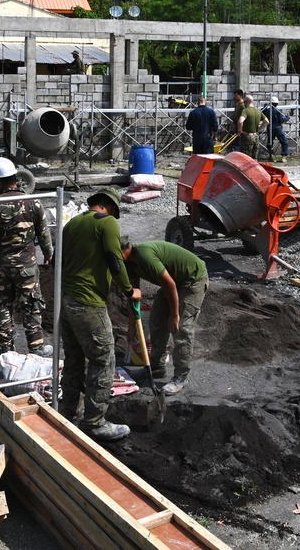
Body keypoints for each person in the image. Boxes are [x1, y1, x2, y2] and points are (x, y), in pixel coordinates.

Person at [60, 187, 140, 442]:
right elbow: (115, 260)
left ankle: (68, 413)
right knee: (103, 360)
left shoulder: (72, 224)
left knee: (74, 360)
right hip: (88, 303)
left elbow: (58, 261)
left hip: (67, 301)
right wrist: (129, 290)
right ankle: (95, 423)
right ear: (109, 206)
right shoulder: (106, 224)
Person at [0, 158, 55, 357]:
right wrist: (49, 254)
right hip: (26, 265)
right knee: (31, 304)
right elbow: (44, 233)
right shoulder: (33, 202)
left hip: (0, 266)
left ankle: (7, 348)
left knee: (2, 305)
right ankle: (36, 347)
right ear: (15, 178)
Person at [121, 237, 208, 395]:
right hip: (174, 281)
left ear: (125, 249)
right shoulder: (128, 263)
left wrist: (174, 315)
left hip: (192, 279)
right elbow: (134, 294)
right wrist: (131, 326)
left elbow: (170, 285)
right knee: (157, 320)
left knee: (182, 328)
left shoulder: (144, 256)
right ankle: (157, 367)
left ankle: (180, 378)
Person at [237, 95, 269, 160]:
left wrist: (239, 131)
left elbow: (240, 122)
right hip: (256, 136)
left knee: (246, 157)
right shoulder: (258, 111)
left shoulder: (245, 111)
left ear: (246, 102)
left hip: (247, 136)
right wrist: (259, 129)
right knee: (255, 158)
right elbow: (267, 122)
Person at [261, 95, 290, 162]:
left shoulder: (266, 111)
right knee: (284, 142)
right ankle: (284, 157)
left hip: (269, 128)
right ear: (277, 103)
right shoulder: (278, 111)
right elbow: (281, 120)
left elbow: (262, 112)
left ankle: (272, 156)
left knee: (270, 142)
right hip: (278, 128)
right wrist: (287, 118)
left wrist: (265, 107)